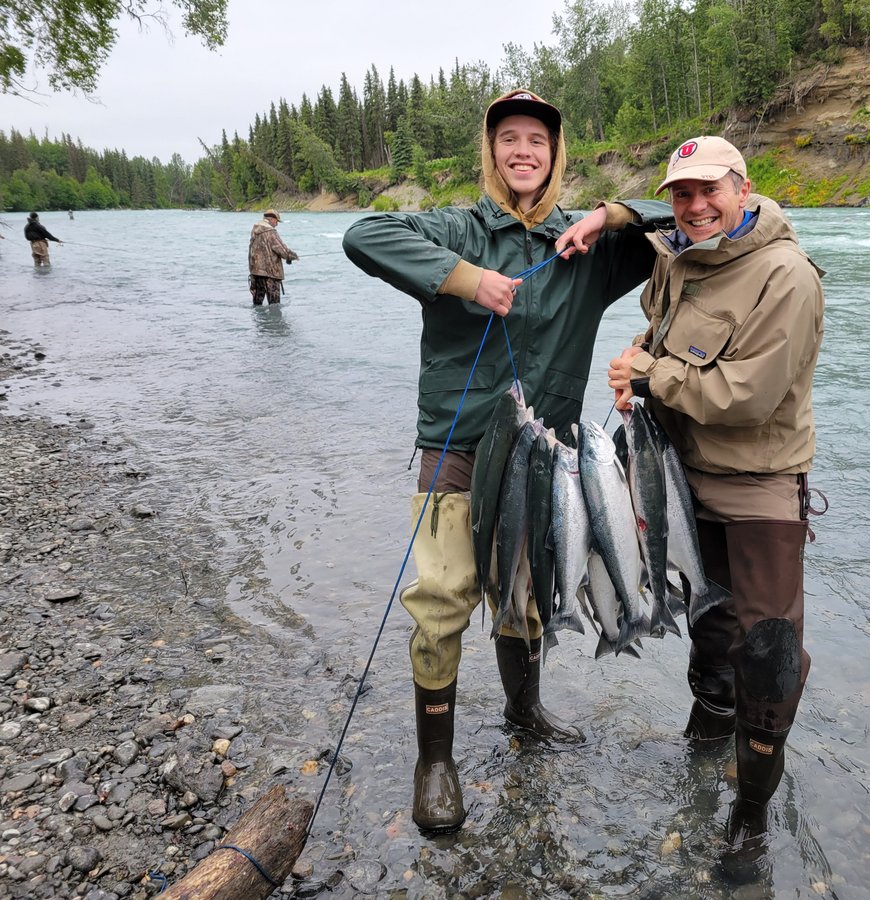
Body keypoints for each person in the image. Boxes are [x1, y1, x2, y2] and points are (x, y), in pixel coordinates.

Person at [341, 88, 673, 835]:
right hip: (454, 445)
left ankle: (525, 713)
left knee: (527, 590)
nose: (523, 152)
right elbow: (362, 236)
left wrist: (608, 214)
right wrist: (466, 279)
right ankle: (436, 761)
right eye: (509, 139)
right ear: (490, 150)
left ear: (557, 155)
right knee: (446, 594)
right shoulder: (457, 227)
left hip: (543, 454)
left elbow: (684, 222)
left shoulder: (583, 246)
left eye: (538, 141)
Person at [604, 136, 826, 883]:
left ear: (744, 188)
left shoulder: (785, 275)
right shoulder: (676, 259)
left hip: (759, 484)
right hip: (679, 473)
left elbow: (745, 396)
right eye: (681, 193)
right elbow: (665, 340)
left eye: (710, 190)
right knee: (707, 619)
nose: (695, 205)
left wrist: (650, 372)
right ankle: (706, 737)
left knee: (768, 654)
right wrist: (637, 358)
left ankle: (750, 819)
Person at [248, 209, 299, 304]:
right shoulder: (270, 232)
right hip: (270, 274)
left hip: (256, 273)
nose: (277, 224)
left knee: (257, 304)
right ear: (271, 219)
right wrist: (293, 256)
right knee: (274, 306)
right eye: (276, 221)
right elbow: (282, 250)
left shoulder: (254, 230)